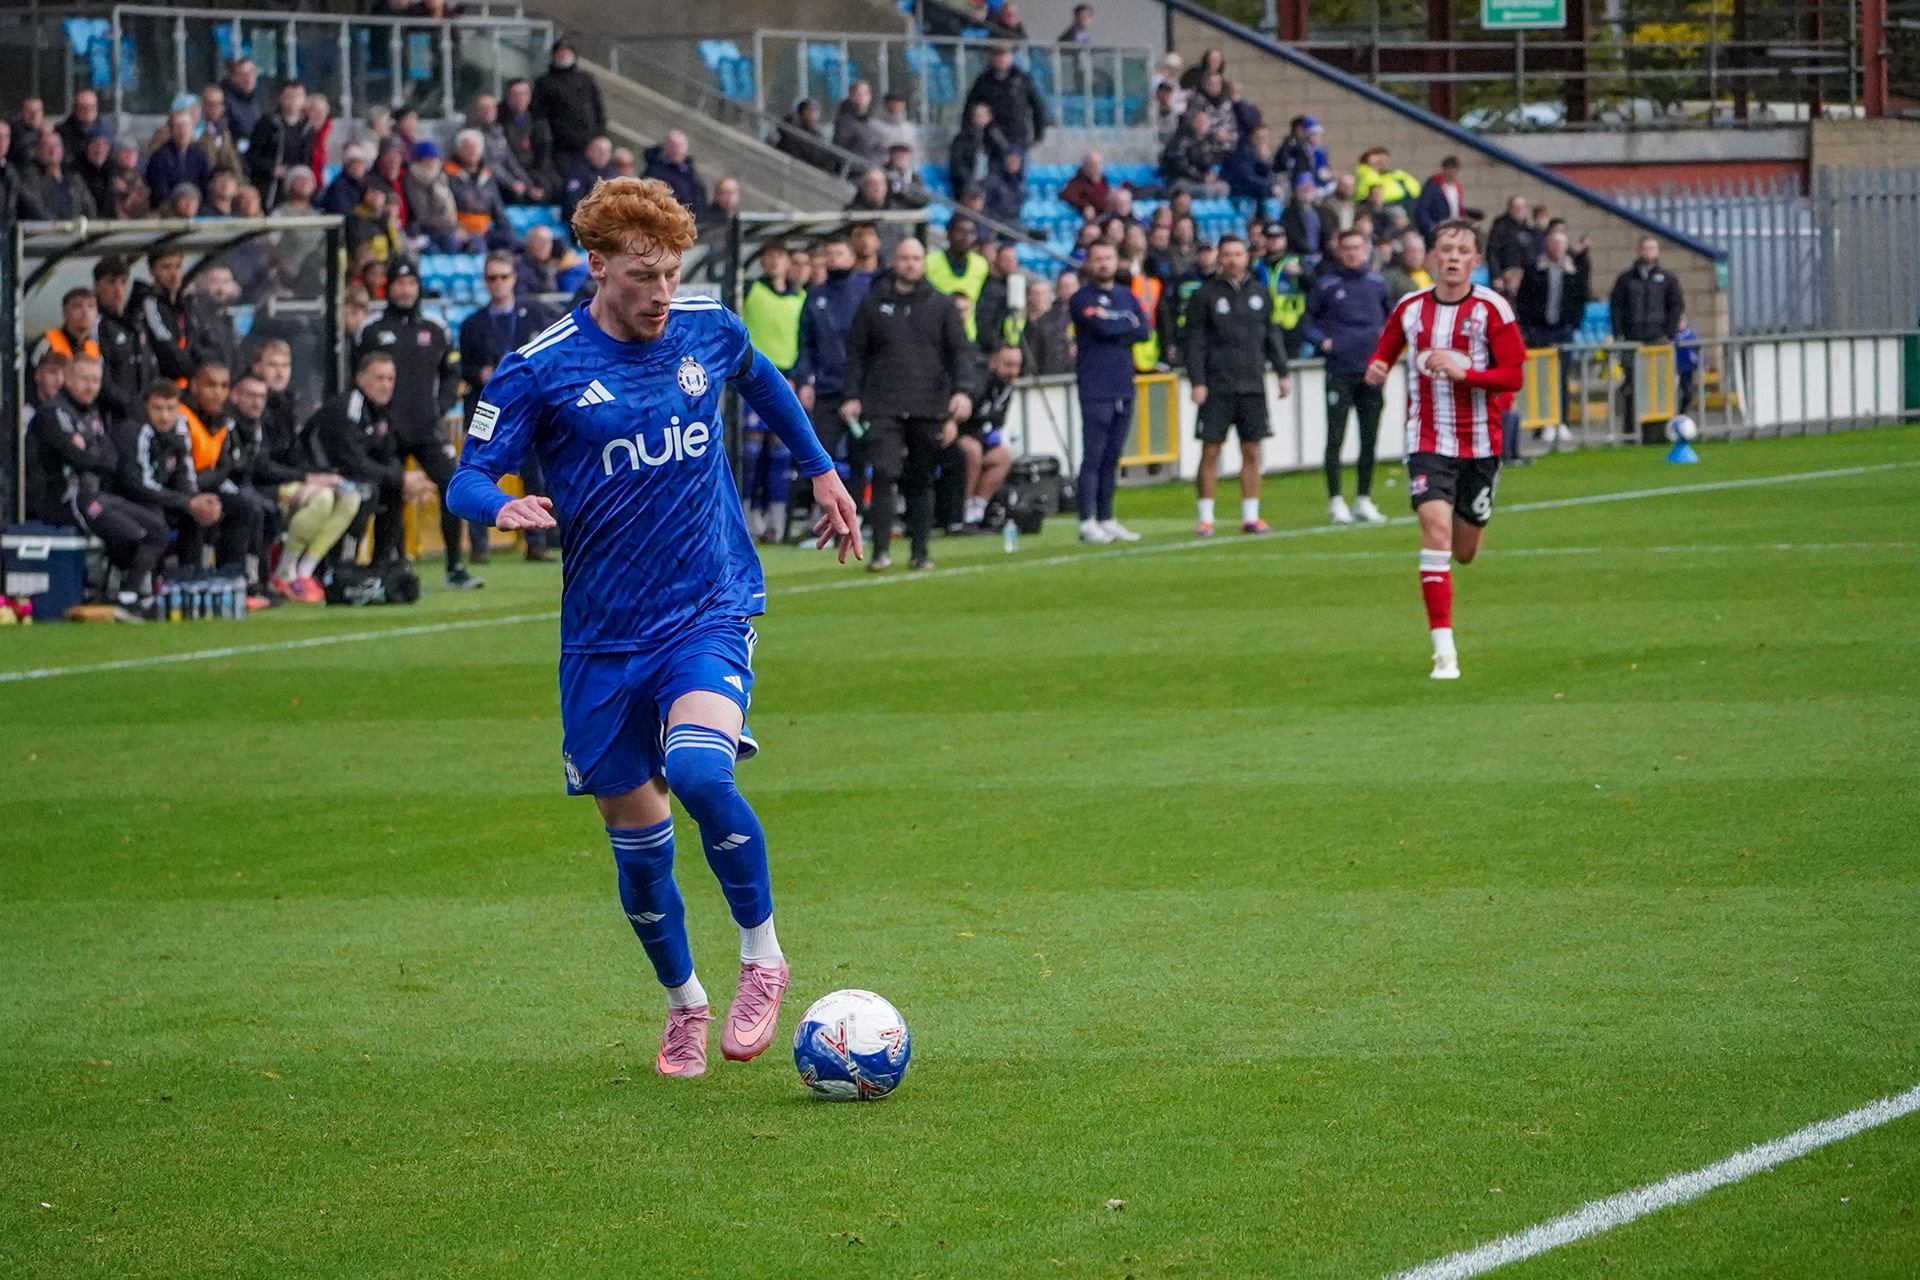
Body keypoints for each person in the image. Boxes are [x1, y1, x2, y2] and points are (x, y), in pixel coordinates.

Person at [444, 175, 859, 1079]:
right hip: (601, 639)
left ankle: (763, 957)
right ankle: (685, 1003)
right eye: (642, 275)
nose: (662, 292)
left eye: (672, 272)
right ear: (597, 266)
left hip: (708, 604)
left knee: (701, 770)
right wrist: (501, 506)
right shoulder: (540, 367)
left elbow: (765, 379)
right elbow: (467, 475)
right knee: (638, 848)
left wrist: (821, 471)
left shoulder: (709, 326)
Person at [1364, 218, 1526, 681]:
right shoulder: (1411, 308)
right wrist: (1377, 365)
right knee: (1434, 532)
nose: (1453, 257)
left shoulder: (1492, 310)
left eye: (1463, 251)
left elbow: (1513, 375)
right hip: (1428, 440)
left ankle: (1464, 537)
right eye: (1446, 249)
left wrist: (1466, 374)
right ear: (1434, 257)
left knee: (1465, 550)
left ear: (1475, 262)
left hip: (1480, 442)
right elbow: (1388, 346)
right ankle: (1444, 653)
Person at [840, 236, 973, 572]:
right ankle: (880, 551)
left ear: (923, 263)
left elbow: (959, 353)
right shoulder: (872, 304)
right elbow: (856, 354)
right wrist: (852, 395)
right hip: (883, 402)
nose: (910, 264)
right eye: (904, 258)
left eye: (916, 258)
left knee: (923, 477)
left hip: (928, 403)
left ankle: (920, 551)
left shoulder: (941, 306)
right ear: (894, 261)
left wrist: (962, 392)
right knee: (884, 473)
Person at [354, 260, 477, 586]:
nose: (405, 290)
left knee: (453, 486)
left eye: (411, 284)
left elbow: (453, 371)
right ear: (388, 287)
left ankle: (455, 565)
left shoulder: (435, 327)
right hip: (387, 429)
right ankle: (394, 563)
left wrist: (440, 405)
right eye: (399, 284)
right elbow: (356, 378)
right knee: (390, 493)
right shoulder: (371, 329)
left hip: (427, 427)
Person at [26, 355, 168, 601]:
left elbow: (111, 457)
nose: (90, 386)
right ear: (68, 379)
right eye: (84, 379)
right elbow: (78, 459)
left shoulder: (91, 413)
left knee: (157, 530)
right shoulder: (53, 412)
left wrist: (89, 451)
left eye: (95, 380)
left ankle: (131, 593)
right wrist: (91, 454)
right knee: (130, 533)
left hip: (93, 494)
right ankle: (111, 589)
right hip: (63, 498)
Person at [1183, 234, 1290, 537]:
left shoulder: (1259, 293)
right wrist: (1198, 381)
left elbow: (1271, 334)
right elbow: (1195, 342)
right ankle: (1206, 518)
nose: (1232, 260)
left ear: (1247, 257)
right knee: (1211, 450)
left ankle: (1251, 516)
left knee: (1252, 450)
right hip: (1217, 385)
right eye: (1227, 254)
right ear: (1219, 259)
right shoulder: (1205, 295)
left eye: (1238, 254)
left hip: (1252, 384)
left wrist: (1282, 372)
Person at [460, 251, 558, 563]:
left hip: (528, 410)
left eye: (503, 276)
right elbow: (462, 368)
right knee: (480, 472)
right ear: (485, 282)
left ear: (514, 279)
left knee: (535, 477)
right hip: (490, 408)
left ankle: (537, 540)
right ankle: (478, 546)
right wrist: (480, 374)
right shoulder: (472, 324)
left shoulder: (536, 314)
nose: (498, 283)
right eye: (492, 278)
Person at [1303, 228, 1395, 525]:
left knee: (1369, 438)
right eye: (1347, 249)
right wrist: (1323, 341)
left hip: (1371, 371)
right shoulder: (1327, 284)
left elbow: (1391, 319)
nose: (1353, 253)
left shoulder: (1377, 283)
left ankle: (1364, 498)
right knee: (1335, 437)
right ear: (1339, 252)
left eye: (1357, 247)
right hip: (1340, 370)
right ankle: (1335, 499)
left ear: (1366, 249)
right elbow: (1306, 321)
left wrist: (1386, 348)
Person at [306, 353, 432, 559]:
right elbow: (351, 462)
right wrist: (400, 479)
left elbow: (388, 455)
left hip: (347, 475)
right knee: (367, 492)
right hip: (319, 474)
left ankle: (385, 564)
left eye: (390, 379)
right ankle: (344, 564)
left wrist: (402, 481)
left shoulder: (381, 411)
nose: (386, 385)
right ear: (360, 378)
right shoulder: (350, 408)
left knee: (392, 490)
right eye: (379, 378)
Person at [1069, 240, 1151, 544]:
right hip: (1095, 385)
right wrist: (1122, 323)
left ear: (1117, 261)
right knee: (1094, 455)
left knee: (1112, 456)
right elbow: (1103, 328)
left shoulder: (1126, 295)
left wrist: (1118, 323)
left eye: (1109, 257)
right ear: (1090, 263)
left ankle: (1107, 517)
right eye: (1098, 258)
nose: (1104, 263)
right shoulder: (1081, 298)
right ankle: (1087, 520)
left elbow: (1143, 330)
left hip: (1123, 384)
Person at [792, 235, 875, 529]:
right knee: (820, 451)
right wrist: (805, 380)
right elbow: (806, 344)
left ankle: (857, 514)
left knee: (860, 454)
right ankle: (824, 517)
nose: (833, 259)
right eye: (829, 254)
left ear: (852, 257)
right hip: (826, 387)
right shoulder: (815, 296)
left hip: (860, 389)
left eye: (839, 253)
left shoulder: (866, 292)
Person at [738, 242, 807, 543]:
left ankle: (777, 520)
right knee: (752, 452)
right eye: (770, 256)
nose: (775, 262)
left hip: (787, 379)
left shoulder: (801, 297)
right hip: (754, 377)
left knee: (780, 452)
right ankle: (749, 515)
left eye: (780, 256)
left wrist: (801, 377)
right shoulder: (752, 289)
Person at [1609, 235, 1685, 443]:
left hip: (1658, 340)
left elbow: (1676, 306)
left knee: (1659, 387)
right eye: (1645, 248)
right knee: (1631, 387)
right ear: (1638, 251)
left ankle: (1658, 433)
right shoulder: (1625, 280)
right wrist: (1620, 335)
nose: (1648, 252)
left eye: (1652, 248)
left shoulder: (1668, 279)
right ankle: (1630, 433)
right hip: (1633, 341)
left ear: (1657, 252)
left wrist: (1668, 333)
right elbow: (1616, 307)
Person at [533, 41, 606, 181]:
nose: (564, 54)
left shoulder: (586, 79)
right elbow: (538, 113)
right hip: (560, 147)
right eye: (560, 51)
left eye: (567, 51)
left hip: (587, 143)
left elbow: (598, 108)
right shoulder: (544, 83)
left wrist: (599, 134)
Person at [1517, 224, 1591, 349]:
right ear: (1547, 245)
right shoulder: (1534, 271)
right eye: (1553, 243)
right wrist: (1528, 326)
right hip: (1538, 331)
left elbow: (1581, 298)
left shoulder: (1574, 273)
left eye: (1560, 243)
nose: (1557, 247)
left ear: (1566, 247)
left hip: (1564, 330)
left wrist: (1574, 324)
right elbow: (1523, 298)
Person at [964, 45, 1048, 153]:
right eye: (998, 55)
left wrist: (1038, 134)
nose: (1002, 59)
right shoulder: (984, 80)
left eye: (1005, 55)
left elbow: (1037, 106)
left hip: (1018, 137)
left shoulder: (1022, 79)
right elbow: (970, 106)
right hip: (992, 139)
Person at [130, 249, 194, 384]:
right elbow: (164, 343)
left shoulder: (184, 304)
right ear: (152, 271)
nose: (174, 273)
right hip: (163, 383)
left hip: (186, 382)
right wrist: (194, 369)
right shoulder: (148, 302)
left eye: (177, 266)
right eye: (166, 267)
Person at [247, 81, 314, 209]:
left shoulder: (306, 127)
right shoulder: (268, 123)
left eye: (298, 96)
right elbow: (252, 156)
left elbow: (306, 159)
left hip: (293, 186)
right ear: (281, 99)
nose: (294, 101)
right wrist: (272, 168)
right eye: (290, 96)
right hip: (268, 186)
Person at [925, 215, 991, 342]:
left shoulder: (981, 265)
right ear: (948, 234)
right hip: (937, 336)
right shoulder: (929, 263)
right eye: (960, 231)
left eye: (971, 232)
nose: (966, 237)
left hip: (968, 336)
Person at [448, 129, 511, 250]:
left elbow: (497, 206)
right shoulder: (449, 175)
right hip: (463, 229)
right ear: (458, 150)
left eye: (475, 148)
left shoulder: (488, 176)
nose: (472, 152)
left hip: (486, 229)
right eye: (467, 148)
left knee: (511, 241)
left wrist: (505, 229)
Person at [499, 78, 554, 201]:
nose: (520, 98)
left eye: (524, 94)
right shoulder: (499, 121)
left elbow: (544, 154)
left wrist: (537, 182)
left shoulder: (538, 121)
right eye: (515, 95)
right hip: (509, 173)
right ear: (507, 97)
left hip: (533, 172)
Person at [22, 133, 96, 220]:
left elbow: (89, 208)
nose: (52, 150)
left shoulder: (75, 180)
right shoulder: (30, 180)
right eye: (47, 146)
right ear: (38, 151)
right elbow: (36, 209)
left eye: (56, 145)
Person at [947, 101, 1008, 201]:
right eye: (978, 115)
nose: (981, 118)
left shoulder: (994, 138)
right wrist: (968, 182)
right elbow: (957, 164)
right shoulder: (962, 138)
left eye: (984, 115)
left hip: (989, 184)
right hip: (968, 185)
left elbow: (1000, 159)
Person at [642, 130, 707, 220]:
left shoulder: (691, 173)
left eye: (681, 146)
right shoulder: (655, 171)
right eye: (674, 146)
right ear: (666, 146)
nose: (678, 150)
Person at [1020, 277, 1074, 375]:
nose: (1039, 298)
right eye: (1035, 294)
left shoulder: (1062, 322)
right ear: (1028, 297)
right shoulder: (1019, 321)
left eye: (1043, 293)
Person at [832, 81, 886, 173]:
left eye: (866, 93)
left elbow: (880, 149)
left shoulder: (870, 121)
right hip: (855, 174)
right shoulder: (845, 122)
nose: (863, 97)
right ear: (852, 96)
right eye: (859, 94)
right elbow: (839, 151)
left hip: (872, 170)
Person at [563, 136, 617, 225]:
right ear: (589, 150)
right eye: (599, 151)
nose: (602, 155)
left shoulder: (611, 173)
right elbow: (571, 203)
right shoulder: (579, 171)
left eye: (606, 152)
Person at [1485, 195, 1537, 279]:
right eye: (1516, 207)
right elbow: (1492, 253)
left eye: (1522, 207)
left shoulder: (1527, 229)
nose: (1519, 210)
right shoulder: (1500, 228)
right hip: (1506, 276)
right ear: (1509, 209)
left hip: (1525, 277)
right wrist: (1496, 276)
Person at [1414, 155, 1465, 236]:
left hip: (1453, 229)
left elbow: (1457, 208)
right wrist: (1432, 228)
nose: (1452, 174)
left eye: (1455, 171)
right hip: (1438, 229)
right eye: (1450, 170)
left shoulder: (1456, 187)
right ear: (1444, 170)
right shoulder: (1433, 186)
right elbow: (1423, 209)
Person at [981, 148, 1028, 231]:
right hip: (993, 226)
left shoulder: (1020, 185)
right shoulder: (992, 181)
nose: (1012, 163)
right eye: (1010, 159)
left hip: (1012, 225)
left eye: (1016, 160)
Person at [1384, 230, 1433, 302]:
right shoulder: (1392, 278)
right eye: (1411, 251)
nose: (1415, 256)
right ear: (1404, 253)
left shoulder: (1433, 276)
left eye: (1419, 251)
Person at [222, 58, 262, 143]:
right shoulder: (226, 102)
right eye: (243, 74)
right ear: (233, 78)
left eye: (252, 73)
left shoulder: (256, 100)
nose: (248, 78)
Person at [1060, 152, 1110, 220]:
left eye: (1099, 164)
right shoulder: (1077, 182)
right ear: (1085, 166)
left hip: (1107, 216)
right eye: (1092, 165)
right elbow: (1066, 195)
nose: (1096, 168)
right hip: (1091, 219)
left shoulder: (1105, 181)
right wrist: (1085, 206)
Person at [882, 144, 931, 209]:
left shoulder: (915, 176)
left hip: (910, 212)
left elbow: (922, 196)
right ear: (891, 155)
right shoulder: (882, 173)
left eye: (904, 153)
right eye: (897, 153)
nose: (900, 156)